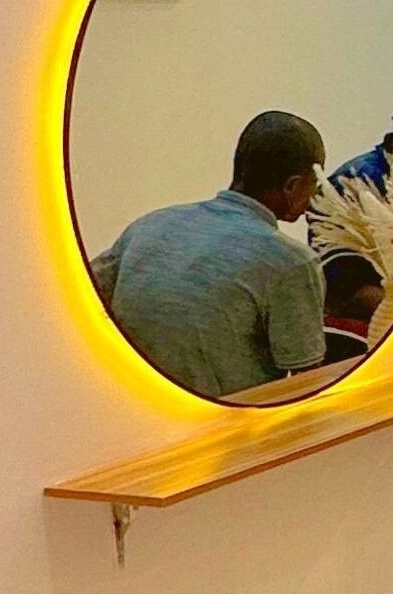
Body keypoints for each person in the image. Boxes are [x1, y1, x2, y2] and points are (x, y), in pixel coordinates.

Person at [90, 111, 328, 400]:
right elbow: (307, 388)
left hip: (124, 410)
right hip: (224, 431)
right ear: (292, 185)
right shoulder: (291, 263)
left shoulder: (149, 224)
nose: (316, 195)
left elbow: (83, 301)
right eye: (314, 183)